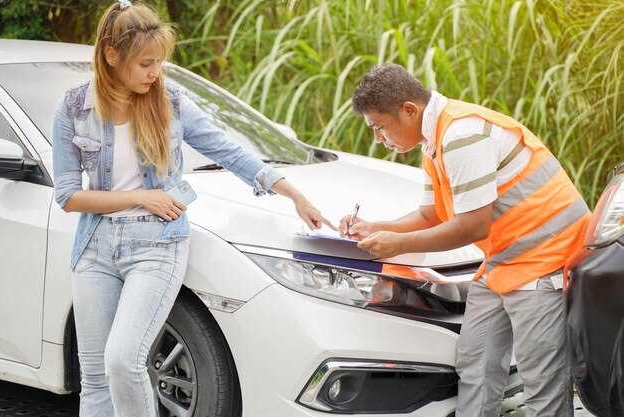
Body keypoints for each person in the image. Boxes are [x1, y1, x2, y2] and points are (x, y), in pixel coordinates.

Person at [52, 1, 333, 416]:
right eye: (146, 63)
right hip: (95, 247)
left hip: (157, 246)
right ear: (112, 57)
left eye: (159, 62)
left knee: (123, 359)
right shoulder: (75, 108)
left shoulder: (171, 102)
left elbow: (228, 149)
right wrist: (139, 196)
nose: (154, 73)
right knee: (95, 378)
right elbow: (68, 196)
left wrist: (293, 194)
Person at [340, 63, 590, 417]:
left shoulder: (462, 135)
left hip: (545, 261)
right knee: (476, 362)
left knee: (541, 384)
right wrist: (375, 227)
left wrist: (397, 246)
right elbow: (432, 215)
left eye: (379, 127)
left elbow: (473, 227)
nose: (378, 139)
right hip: (505, 260)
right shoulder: (434, 140)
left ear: (409, 111)